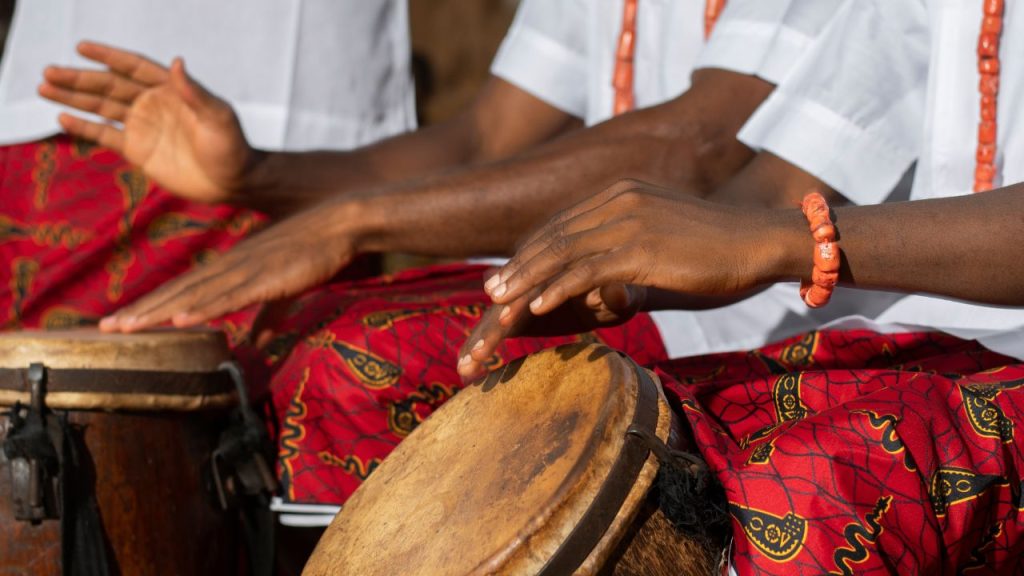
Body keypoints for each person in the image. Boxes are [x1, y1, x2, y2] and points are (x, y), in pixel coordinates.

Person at [38, 0, 849, 511]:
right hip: (617, 280)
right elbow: (485, 135)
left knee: (340, 368)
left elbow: (696, 144)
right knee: (270, 345)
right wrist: (262, 178)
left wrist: (353, 221)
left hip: (738, 310)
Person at [462, 0, 1023, 571]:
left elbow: (705, 146)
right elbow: (784, 179)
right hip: (924, 339)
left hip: (966, 351)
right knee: (599, 427)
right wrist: (634, 273)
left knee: (813, 487)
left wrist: (780, 241)